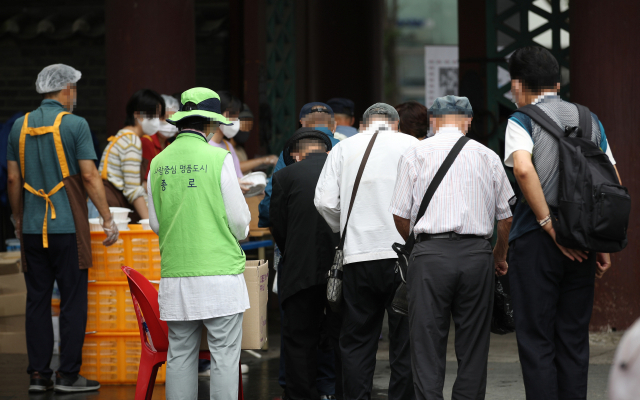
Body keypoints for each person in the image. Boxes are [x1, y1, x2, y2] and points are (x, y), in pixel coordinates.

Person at [504, 46, 619, 400]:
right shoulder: (590, 119)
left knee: (537, 338)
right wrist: (599, 240)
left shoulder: (521, 120)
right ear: (555, 82)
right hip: (583, 241)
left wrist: (549, 226)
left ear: (520, 85)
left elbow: (523, 168)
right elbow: (611, 176)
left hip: (536, 241)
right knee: (572, 337)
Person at [389, 95, 514, 400]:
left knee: (426, 341)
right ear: (469, 121)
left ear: (433, 121)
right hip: (476, 256)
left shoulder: (414, 153)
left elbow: (399, 214)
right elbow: (506, 218)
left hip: (430, 257)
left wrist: (420, 244)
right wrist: (499, 256)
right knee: (473, 344)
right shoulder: (487, 156)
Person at [6, 64, 119, 393]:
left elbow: (13, 179)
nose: (76, 95)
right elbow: (89, 176)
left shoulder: (18, 126)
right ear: (66, 88)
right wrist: (107, 217)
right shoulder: (76, 125)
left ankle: (38, 376)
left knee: (37, 301)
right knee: (72, 300)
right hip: (68, 228)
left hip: (31, 228)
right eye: (75, 89)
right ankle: (68, 375)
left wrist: (17, 218)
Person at [147, 87, 251, 400]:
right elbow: (240, 222)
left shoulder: (158, 162)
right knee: (224, 356)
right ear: (210, 123)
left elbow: (155, 223)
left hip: (177, 273)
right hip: (220, 274)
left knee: (180, 355)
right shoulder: (218, 158)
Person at [315, 103, 418, 400]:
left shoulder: (344, 149)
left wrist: (344, 226)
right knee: (405, 341)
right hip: (404, 258)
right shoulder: (412, 145)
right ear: (396, 125)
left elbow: (323, 202)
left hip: (358, 256)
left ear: (363, 124)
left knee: (357, 339)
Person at [258, 102, 341, 398]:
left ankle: (300, 393)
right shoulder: (341, 173)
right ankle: (334, 389)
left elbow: (275, 222)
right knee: (340, 333)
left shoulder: (284, 177)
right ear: (328, 150)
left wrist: (290, 250)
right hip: (341, 268)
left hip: (300, 268)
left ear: (293, 154)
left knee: (299, 337)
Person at [98, 89, 165, 221]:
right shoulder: (132, 142)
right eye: (153, 115)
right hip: (114, 213)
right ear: (137, 115)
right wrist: (149, 222)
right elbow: (133, 190)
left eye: (158, 116)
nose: (156, 121)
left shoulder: (122, 136)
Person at [210, 91, 278, 178]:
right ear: (217, 114)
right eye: (232, 115)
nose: (235, 121)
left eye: (236, 117)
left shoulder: (228, 147)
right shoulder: (202, 146)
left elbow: (239, 177)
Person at [141, 94, 179, 186]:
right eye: (164, 118)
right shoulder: (147, 141)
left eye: (172, 119)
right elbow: (144, 182)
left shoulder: (169, 146)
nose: (168, 123)